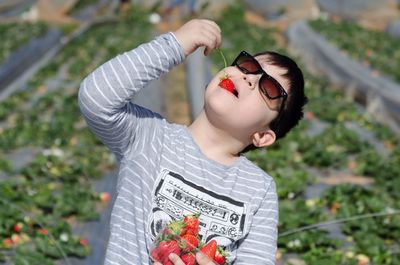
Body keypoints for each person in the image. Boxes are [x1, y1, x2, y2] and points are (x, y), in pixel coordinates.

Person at [78, 19, 306, 265]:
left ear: (262, 136)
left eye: (269, 88)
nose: (249, 78)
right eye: (248, 66)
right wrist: (174, 46)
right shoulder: (149, 138)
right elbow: (96, 98)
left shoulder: (258, 190)